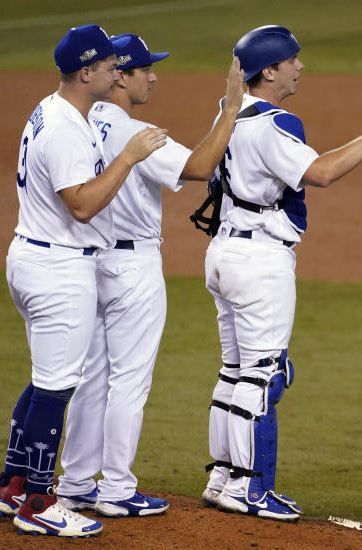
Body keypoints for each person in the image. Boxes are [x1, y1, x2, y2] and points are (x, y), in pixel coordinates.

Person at [200, 25, 362, 521]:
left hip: (223, 253)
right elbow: (323, 173)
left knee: (234, 370)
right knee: (264, 374)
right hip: (259, 262)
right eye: (292, 60)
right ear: (268, 71)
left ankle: (222, 477)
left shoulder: (229, 114)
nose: (300, 66)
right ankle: (250, 488)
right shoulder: (275, 122)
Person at [53, 35, 244, 518]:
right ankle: (117, 488)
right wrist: (231, 110)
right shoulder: (130, 131)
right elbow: (200, 165)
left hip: (87, 262)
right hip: (131, 267)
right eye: (143, 69)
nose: (153, 76)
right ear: (119, 76)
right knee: (129, 381)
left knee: (91, 377)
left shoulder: (83, 120)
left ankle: (74, 483)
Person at [0, 25, 166, 536]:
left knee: (45, 379)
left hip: (34, 257)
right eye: (111, 67)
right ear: (85, 72)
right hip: (59, 269)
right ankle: (40, 505)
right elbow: (83, 204)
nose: (118, 74)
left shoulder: (52, 108)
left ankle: (12, 486)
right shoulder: (66, 128)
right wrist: (130, 156)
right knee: (55, 387)